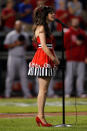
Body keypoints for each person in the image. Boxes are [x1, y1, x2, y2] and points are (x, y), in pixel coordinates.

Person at [28, 6, 60, 126]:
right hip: (43, 58)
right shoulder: (41, 27)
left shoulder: (46, 27)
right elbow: (44, 47)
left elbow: (49, 46)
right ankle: (40, 116)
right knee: (43, 90)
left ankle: (40, 116)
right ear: (45, 15)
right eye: (51, 13)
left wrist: (54, 57)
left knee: (44, 90)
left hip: (46, 57)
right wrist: (54, 59)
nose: (54, 15)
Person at [4, 20, 32, 98]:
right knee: (10, 76)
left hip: (22, 57)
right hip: (12, 57)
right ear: (15, 26)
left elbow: (27, 46)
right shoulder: (10, 35)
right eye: (17, 25)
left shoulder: (25, 35)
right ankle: (7, 94)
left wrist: (23, 43)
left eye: (20, 25)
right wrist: (16, 44)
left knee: (24, 77)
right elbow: (6, 46)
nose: (19, 27)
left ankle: (27, 94)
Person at [64, 17, 87, 98]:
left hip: (81, 58)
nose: (76, 23)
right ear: (71, 22)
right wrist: (75, 43)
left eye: (77, 21)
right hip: (71, 57)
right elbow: (65, 45)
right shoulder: (68, 32)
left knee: (81, 77)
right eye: (74, 21)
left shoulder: (82, 33)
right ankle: (67, 93)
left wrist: (86, 56)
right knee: (69, 76)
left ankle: (80, 92)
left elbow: (85, 46)